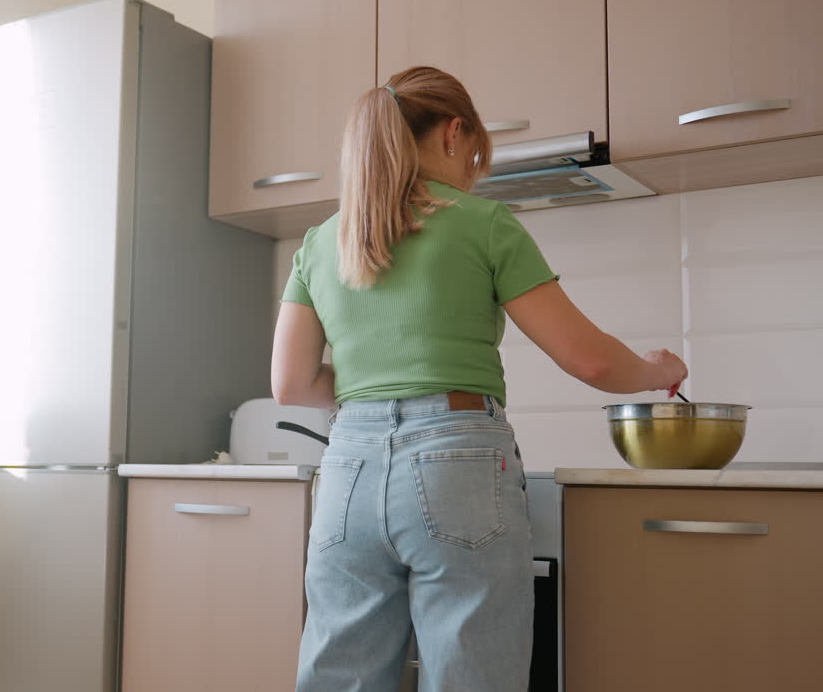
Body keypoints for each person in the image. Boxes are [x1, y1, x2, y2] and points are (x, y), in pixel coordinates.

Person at [272, 66, 688, 692]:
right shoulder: (483, 223)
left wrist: (376, 385)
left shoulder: (321, 243)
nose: (473, 171)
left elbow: (291, 384)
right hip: (455, 461)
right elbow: (590, 360)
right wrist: (659, 370)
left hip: (347, 470)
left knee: (340, 675)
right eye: (474, 155)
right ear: (453, 131)